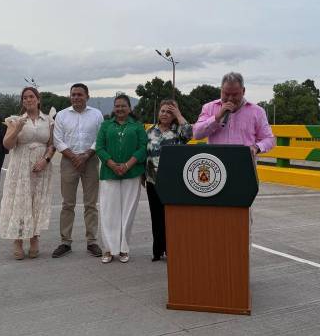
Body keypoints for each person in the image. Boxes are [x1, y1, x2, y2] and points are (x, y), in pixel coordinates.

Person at [0, 87, 55, 260]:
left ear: (38, 100)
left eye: (31, 97)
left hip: (41, 167)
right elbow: (7, 145)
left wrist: (45, 160)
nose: (28, 100)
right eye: (25, 98)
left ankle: (34, 238)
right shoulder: (15, 120)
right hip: (20, 167)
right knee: (20, 202)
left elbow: (52, 144)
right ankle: (17, 240)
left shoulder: (48, 120)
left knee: (36, 202)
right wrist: (17, 129)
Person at [51, 83, 104, 259]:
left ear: (87, 96)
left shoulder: (96, 115)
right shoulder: (61, 115)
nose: (76, 97)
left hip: (90, 160)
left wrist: (87, 154)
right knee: (68, 203)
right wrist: (74, 157)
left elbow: (100, 138)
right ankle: (65, 241)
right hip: (68, 161)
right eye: (73, 94)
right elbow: (57, 140)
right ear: (70, 96)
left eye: (80, 94)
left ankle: (92, 241)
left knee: (91, 204)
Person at [95, 94, 147, 264]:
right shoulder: (105, 125)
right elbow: (100, 148)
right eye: (117, 106)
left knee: (127, 212)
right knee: (109, 212)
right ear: (114, 108)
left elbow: (143, 148)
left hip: (131, 174)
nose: (120, 109)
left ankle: (123, 248)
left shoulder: (138, 126)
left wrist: (127, 165)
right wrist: (112, 165)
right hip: (109, 174)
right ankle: (109, 249)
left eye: (123, 106)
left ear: (130, 108)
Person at [145, 99, 192, 261]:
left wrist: (179, 114)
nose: (165, 114)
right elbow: (145, 155)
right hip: (152, 181)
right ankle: (157, 250)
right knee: (156, 217)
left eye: (169, 112)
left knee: (172, 217)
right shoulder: (150, 131)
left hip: (173, 182)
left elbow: (189, 133)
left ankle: (172, 248)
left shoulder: (179, 131)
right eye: (163, 111)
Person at [192, 72, 275, 155]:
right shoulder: (209, 108)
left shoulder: (257, 111)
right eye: (226, 94)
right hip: (216, 164)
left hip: (243, 162)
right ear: (221, 90)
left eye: (235, 94)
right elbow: (197, 134)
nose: (230, 99)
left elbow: (269, 139)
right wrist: (217, 117)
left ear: (243, 91)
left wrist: (256, 147)